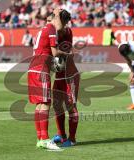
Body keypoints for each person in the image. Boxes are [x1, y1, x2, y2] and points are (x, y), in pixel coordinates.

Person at [28, 8, 69, 150]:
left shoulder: (43, 29)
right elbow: (55, 52)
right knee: (45, 103)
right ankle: (45, 139)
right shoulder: (51, 28)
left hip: (33, 68)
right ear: (57, 19)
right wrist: (66, 54)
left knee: (39, 105)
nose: (62, 26)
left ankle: (40, 139)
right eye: (62, 22)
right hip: (41, 70)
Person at [51, 10, 80, 147]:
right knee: (57, 106)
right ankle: (62, 136)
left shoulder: (65, 31)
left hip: (70, 76)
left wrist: (56, 15)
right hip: (59, 76)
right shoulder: (56, 31)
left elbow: (58, 28)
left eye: (56, 18)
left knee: (71, 107)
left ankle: (72, 139)